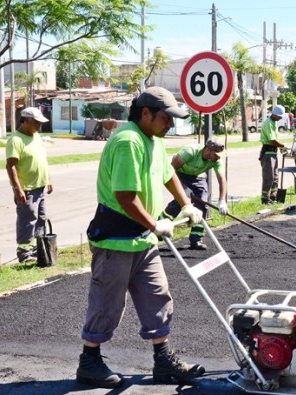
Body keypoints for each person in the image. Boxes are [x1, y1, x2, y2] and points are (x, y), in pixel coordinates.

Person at [78, 87, 205, 388]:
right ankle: (89, 362)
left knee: (157, 298)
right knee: (107, 304)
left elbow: (168, 174)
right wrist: (156, 224)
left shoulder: (153, 140)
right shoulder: (128, 141)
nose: (170, 125)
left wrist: (186, 203)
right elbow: (125, 197)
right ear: (145, 114)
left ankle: (163, 360)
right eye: (166, 118)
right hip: (115, 240)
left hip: (143, 240)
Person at [161, 140, 228, 250]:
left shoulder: (216, 160)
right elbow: (170, 170)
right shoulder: (190, 152)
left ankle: (196, 239)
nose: (218, 158)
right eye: (216, 155)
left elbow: (222, 180)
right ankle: (159, 228)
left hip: (198, 176)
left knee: (202, 204)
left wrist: (222, 201)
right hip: (179, 174)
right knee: (180, 202)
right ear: (207, 150)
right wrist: (184, 189)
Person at [6, 107, 52, 263]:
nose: (39, 125)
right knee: (28, 220)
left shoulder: (36, 136)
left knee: (41, 218)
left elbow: (42, 159)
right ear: (26, 120)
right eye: (36, 122)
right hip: (27, 189)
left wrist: (49, 179)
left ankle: (38, 250)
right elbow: (10, 166)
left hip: (41, 185)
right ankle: (25, 254)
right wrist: (17, 189)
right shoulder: (15, 140)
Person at [260, 104, 287, 204]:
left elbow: (276, 139)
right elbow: (272, 140)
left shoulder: (274, 122)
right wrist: (282, 146)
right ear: (275, 114)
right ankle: (265, 199)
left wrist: (279, 148)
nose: (280, 118)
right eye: (280, 116)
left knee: (275, 177)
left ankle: (273, 197)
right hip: (267, 153)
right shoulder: (268, 123)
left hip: (273, 153)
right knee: (269, 177)